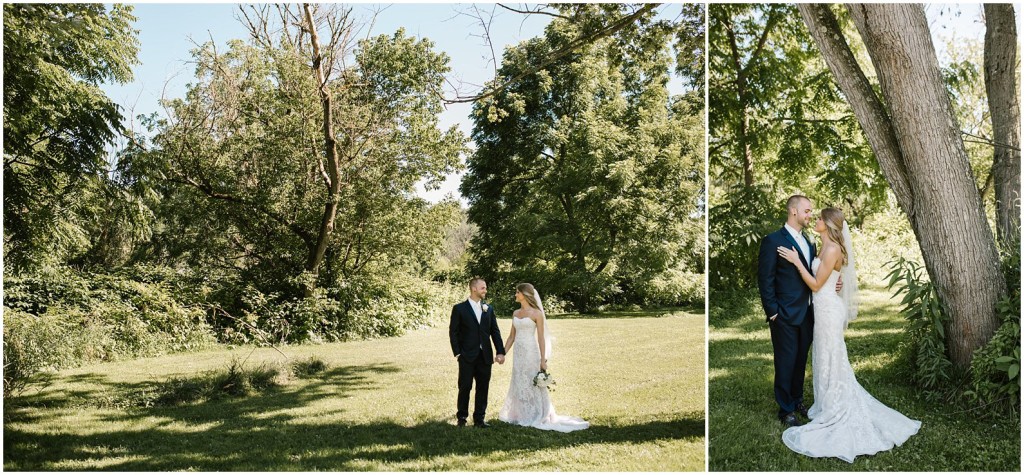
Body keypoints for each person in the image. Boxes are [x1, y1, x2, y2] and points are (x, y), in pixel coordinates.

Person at [777, 207, 920, 463]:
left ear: (829, 224)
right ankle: (825, 403)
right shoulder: (823, 246)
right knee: (824, 355)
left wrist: (797, 261)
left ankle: (836, 405)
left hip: (829, 310)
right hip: (821, 308)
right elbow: (829, 278)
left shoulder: (831, 249)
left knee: (832, 355)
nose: (816, 220)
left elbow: (816, 284)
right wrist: (832, 278)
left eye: (819, 218)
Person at [758, 195, 817, 427]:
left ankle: (797, 399)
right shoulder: (773, 241)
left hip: (808, 313)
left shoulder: (809, 241)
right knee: (785, 361)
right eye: (808, 211)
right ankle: (785, 409)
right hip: (783, 314)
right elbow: (765, 279)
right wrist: (773, 311)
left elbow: (812, 274)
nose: (810, 215)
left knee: (801, 360)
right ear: (794, 211)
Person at [498, 283, 588, 432]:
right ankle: (520, 413)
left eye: (517, 292)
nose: (515, 295)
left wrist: (542, 359)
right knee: (519, 380)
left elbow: (541, 338)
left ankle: (538, 413)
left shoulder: (536, 314)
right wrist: (502, 353)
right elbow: (511, 337)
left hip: (531, 352)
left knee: (532, 382)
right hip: (518, 354)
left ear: (524, 294)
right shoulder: (515, 313)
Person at [449, 277, 505, 428]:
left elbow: (495, 332)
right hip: (466, 355)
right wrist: (458, 353)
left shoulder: (489, 308)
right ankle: (462, 418)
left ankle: (479, 419)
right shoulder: (459, 308)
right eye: (483, 288)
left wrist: (500, 351)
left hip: (485, 356)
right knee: (465, 387)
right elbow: (453, 332)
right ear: (474, 289)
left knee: (483, 387)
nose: (485, 291)